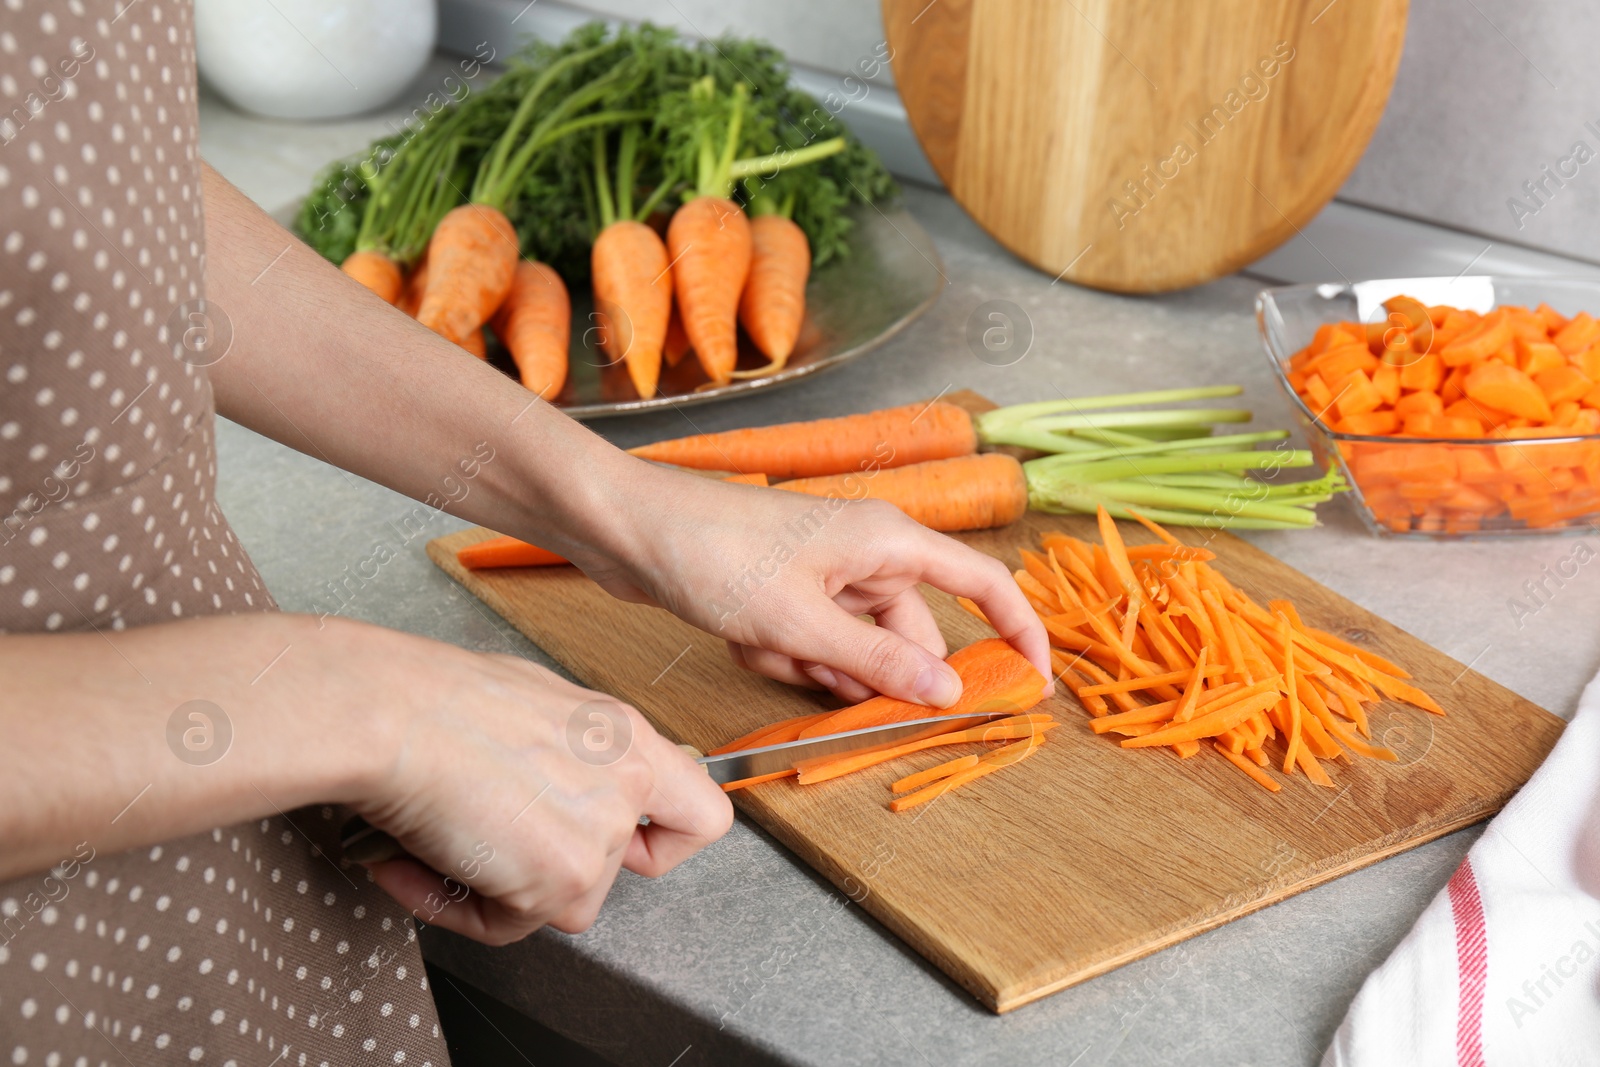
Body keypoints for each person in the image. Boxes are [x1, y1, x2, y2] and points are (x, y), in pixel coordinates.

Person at [0, 2, 1048, 1063]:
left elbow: (87, 180)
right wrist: (355, 702)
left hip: (230, 828)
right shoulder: (331, 708)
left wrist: (621, 506)